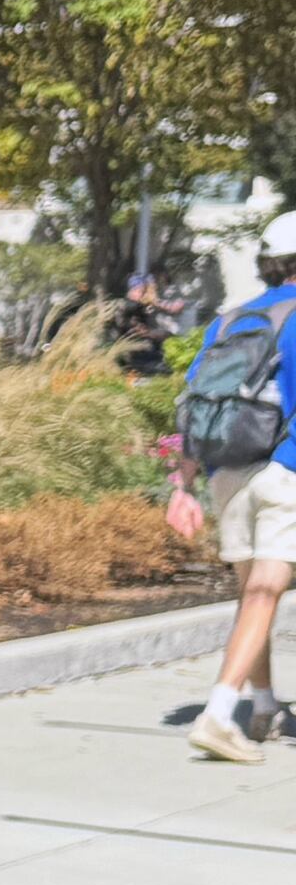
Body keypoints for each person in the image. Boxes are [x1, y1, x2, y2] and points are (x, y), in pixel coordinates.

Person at [181, 213, 296, 762]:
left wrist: (181, 485)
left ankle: (265, 706)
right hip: (284, 468)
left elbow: (194, 402)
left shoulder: (230, 320)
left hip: (227, 471)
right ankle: (219, 714)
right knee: (266, 590)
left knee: (256, 594)